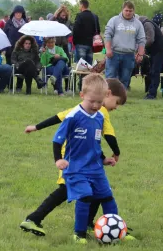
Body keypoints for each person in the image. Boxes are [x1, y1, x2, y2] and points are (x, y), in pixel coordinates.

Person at [20, 78, 127, 236]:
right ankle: (34, 219)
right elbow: (109, 135)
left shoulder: (92, 110)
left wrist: (36, 127)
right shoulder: (97, 111)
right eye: (116, 103)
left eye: (99, 102)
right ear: (108, 94)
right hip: (71, 159)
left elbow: (58, 117)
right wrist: (116, 152)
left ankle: (89, 223)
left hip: (86, 158)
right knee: (67, 190)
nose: (115, 107)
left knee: (95, 190)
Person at [52, 74, 119, 244]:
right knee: (86, 195)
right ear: (82, 95)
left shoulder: (100, 117)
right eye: (92, 101)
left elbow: (95, 144)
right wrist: (58, 160)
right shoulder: (73, 116)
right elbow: (57, 139)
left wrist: (104, 159)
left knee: (107, 197)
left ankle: (118, 230)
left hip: (96, 168)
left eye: (99, 102)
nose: (96, 105)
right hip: (75, 168)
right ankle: (79, 233)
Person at [104, 1, 146, 89]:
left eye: (130, 11)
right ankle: (107, 97)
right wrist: (108, 49)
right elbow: (107, 35)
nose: (128, 13)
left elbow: (141, 40)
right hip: (113, 54)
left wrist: (140, 54)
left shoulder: (138, 24)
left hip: (129, 55)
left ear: (133, 11)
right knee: (110, 77)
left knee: (125, 79)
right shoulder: (114, 20)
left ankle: (121, 98)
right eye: (126, 10)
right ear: (122, 10)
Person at [138, 14, 163, 99]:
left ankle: (152, 94)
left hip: (159, 50)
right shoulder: (145, 24)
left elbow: (150, 39)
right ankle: (150, 91)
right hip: (154, 51)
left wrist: (141, 48)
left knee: (155, 72)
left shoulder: (147, 24)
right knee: (151, 71)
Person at [72, 0, 98, 65]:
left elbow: (75, 30)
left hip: (80, 44)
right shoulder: (94, 16)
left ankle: (81, 76)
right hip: (90, 45)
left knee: (81, 66)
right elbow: (97, 30)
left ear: (82, 5)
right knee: (89, 66)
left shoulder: (79, 16)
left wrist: (75, 41)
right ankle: (88, 76)